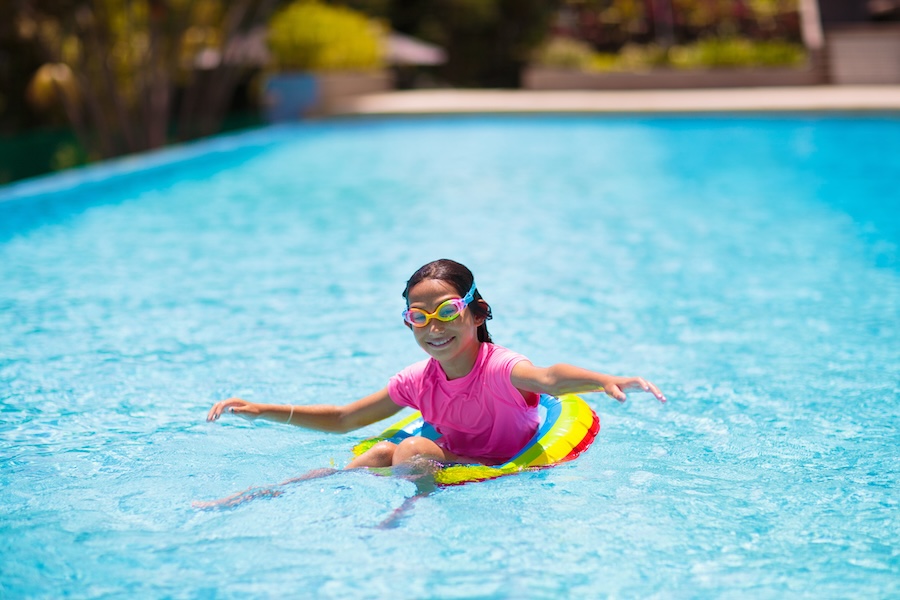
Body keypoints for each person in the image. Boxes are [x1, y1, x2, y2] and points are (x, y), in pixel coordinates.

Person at [206, 259, 666, 470]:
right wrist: (265, 410)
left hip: (500, 462)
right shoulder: (416, 381)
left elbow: (549, 378)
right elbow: (346, 418)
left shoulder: (501, 367)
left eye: (446, 311)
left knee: (409, 451)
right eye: (418, 317)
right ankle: (272, 492)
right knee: (379, 452)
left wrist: (605, 379)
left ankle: (405, 522)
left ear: (476, 312)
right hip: (449, 461)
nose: (434, 327)